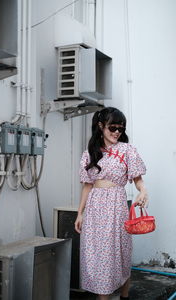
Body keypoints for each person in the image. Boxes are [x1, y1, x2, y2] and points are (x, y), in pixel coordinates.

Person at [75, 107, 148, 300]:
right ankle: (103, 295)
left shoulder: (127, 150)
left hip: (116, 206)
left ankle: (124, 295)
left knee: (120, 251)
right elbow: (87, 186)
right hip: (94, 207)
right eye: (112, 127)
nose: (117, 132)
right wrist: (80, 213)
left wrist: (143, 190)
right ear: (101, 126)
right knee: (98, 253)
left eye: (120, 128)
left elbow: (137, 178)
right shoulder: (90, 153)